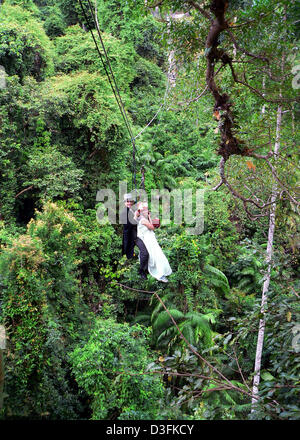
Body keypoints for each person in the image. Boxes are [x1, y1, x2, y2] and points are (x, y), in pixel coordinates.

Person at [134, 202, 172, 283]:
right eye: (144, 209)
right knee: (156, 255)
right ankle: (159, 274)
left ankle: (160, 271)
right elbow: (152, 227)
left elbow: (153, 226)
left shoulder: (145, 218)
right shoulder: (143, 219)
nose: (146, 210)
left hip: (151, 238)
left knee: (157, 254)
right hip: (148, 240)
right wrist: (150, 217)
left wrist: (150, 217)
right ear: (140, 211)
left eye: (147, 209)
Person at [120, 193, 149, 280]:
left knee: (149, 250)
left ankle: (146, 268)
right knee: (145, 252)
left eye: (130, 201)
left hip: (143, 232)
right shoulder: (123, 212)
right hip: (134, 236)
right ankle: (142, 271)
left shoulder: (135, 208)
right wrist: (136, 217)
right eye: (127, 201)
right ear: (125, 202)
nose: (129, 203)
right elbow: (128, 226)